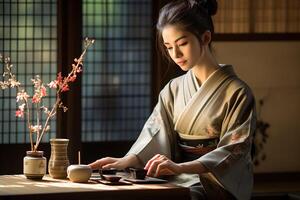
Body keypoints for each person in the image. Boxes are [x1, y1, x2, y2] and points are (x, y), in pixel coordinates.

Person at [89, 0, 256, 199]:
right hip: (176, 176)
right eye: (168, 47)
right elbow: (155, 134)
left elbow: (233, 151)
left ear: (205, 37)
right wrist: (126, 160)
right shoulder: (173, 89)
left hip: (213, 183)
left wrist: (179, 168)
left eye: (182, 43)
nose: (175, 54)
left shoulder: (238, 93)